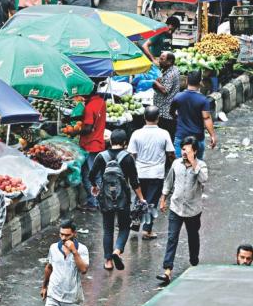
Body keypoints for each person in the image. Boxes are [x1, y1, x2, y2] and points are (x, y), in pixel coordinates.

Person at [88, 130, 146, 271]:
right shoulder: (128, 158)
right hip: (123, 199)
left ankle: (108, 261)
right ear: (125, 143)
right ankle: (117, 250)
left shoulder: (101, 156)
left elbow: (91, 175)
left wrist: (95, 186)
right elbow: (134, 182)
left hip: (106, 198)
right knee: (124, 227)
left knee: (108, 229)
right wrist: (141, 198)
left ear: (110, 141)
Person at [157, 137, 209, 285]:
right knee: (172, 238)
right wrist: (163, 198)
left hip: (193, 210)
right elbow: (169, 182)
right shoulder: (176, 164)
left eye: (188, 150)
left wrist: (194, 164)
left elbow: (204, 179)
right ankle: (167, 270)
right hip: (176, 208)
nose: (184, 152)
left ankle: (194, 262)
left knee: (193, 237)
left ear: (195, 151)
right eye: (183, 149)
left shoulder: (201, 165)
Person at [128, 106, 175, 239]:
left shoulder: (136, 134)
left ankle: (136, 221)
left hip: (140, 172)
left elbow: (131, 155)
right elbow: (170, 153)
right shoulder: (164, 133)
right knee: (151, 201)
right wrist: (175, 165)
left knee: (139, 198)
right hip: (156, 173)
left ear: (144, 118)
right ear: (158, 118)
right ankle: (147, 231)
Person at [170, 70, 216, 158]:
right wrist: (212, 136)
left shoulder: (178, 97)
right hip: (198, 138)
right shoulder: (203, 100)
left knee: (179, 163)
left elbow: (171, 112)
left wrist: (177, 117)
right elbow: (206, 118)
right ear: (200, 83)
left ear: (187, 81)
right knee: (197, 163)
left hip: (181, 136)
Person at [79, 92, 107, 210]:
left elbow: (88, 128)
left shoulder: (89, 107)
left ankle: (96, 202)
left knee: (92, 175)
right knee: (89, 174)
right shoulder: (101, 102)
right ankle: (93, 201)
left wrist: (75, 132)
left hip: (90, 145)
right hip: (98, 143)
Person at [152, 51, 181, 140]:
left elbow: (165, 90)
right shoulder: (170, 69)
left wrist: (154, 82)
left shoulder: (170, 74)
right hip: (165, 110)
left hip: (165, 112)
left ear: (169, 61)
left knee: (166, 137)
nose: (159, 61)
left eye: (162, 59)